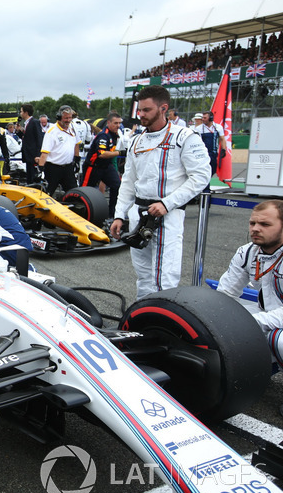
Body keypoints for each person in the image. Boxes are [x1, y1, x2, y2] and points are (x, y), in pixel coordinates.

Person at [109, 85, 211, 299]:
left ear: (163, 108)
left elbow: (201, 176)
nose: (141, 115)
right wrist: (119, 214)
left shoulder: (185, 137)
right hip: (139, 213)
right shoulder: (136, 140)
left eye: (146, 110)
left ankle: (163, 322)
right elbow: (128, 181)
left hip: (168, 214)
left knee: (165, 278)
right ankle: (143, 317)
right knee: (144, 276)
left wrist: (167, 203)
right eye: (140, 110)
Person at [217, 200, 283, 373]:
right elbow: (225, 295)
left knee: (279, 340)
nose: (255, 228)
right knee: (214, 319)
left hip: (276, 326)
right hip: (268, 316)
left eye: (265, 224)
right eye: (252, 223)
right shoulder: (247, 252)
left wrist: (248, 325)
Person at [79, 113, 124, 218]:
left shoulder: (115, 134)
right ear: (108, 123)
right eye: (115, 123)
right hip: (93, 166)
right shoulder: (104, 135)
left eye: (119, 123)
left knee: (117, 185)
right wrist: (120, 153)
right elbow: (102, 154)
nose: (118, 126)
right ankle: (80, 214)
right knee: (84, 190)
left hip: (106, 166)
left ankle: (112, 214)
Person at [38, 105, 79, 197]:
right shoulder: (52, 131)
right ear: (59, 117)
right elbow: (44, 153)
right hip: (53, 168)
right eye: (66, 118)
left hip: (68, 168)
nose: (68, 120)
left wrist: (77, 159)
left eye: (70, 118)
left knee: (75, 194)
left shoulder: (72, 128)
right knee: (46, 195)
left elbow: (77, 143)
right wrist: (40, 169)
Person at [192, 111, 227, 178]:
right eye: (202, 117)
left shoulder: (218, 127)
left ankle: (207, 181)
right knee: (204, 170)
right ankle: (206, 186)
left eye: (205, 118)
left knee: (213, 169)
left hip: (213, 153)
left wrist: (223, 149)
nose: (203, 119)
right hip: (203, 153)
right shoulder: (199, 129)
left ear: (210, 118)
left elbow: (222, 139)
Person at [20, 104, 43, 184]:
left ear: (26, 113)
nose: (20, 113)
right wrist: (19, 132)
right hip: (28, 155)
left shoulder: (34, 122)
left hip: (33, 155)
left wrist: (38, 154)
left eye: (21, 111)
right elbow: (27, 138)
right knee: (29, 178)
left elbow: (39, 138)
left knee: (33, 178)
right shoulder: (27, 123)